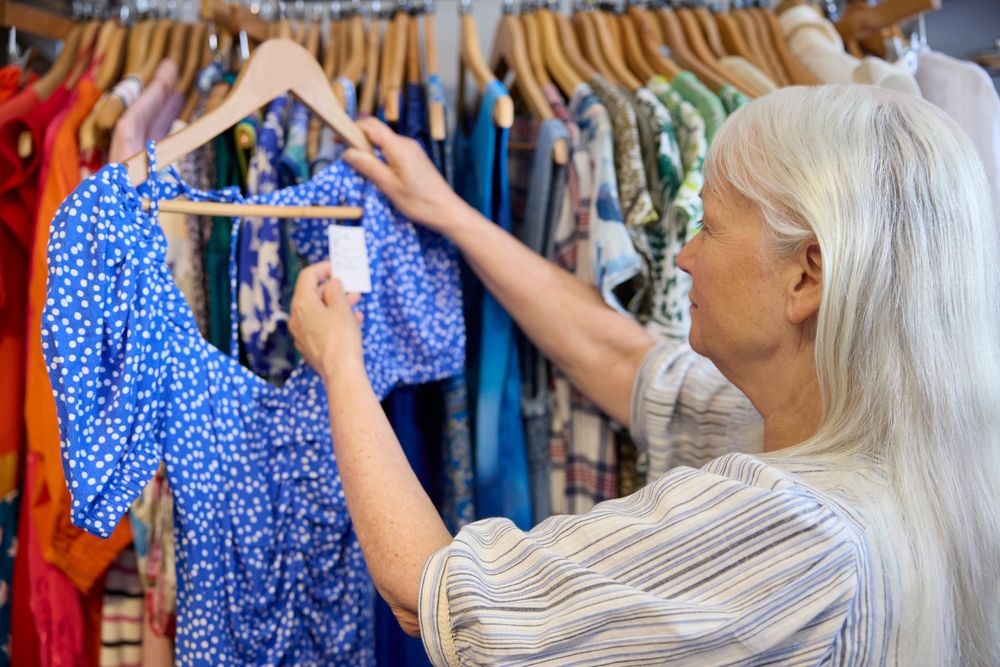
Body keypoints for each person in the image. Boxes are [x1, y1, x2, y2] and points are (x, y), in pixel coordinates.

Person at [288, 84, 1000, 665]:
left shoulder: (793, 533)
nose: (683, 256)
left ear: (806, 275)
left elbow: (431, 594)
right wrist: (447, 211)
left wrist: (341, 364)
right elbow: (627, 361)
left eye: (710, 226)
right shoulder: (905, 454)